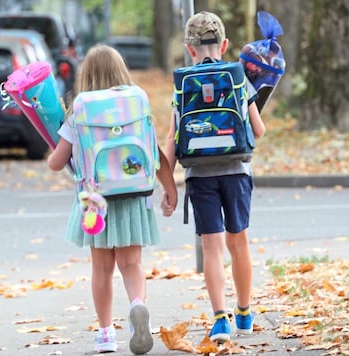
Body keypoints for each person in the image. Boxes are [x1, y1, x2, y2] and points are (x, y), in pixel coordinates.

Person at [47, 44, 178, 354]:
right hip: (134, 196)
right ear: (121, 71)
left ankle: (106, 334)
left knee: (102, 269)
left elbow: (56, 163)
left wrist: (55, 141)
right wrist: (169, 186)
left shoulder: (78, 110)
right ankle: (137, 307)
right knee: (132, 263)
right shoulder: (136, 103)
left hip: (96, 201)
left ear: (86, 76)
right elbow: (152, 150)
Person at [164, 11, 266, 344]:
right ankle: (245, 311)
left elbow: (172, 137)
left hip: (199, 176)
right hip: (236, 172)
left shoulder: (183, 84)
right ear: (223, 44)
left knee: (211, 247)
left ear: (189, 48)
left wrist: (167, 183)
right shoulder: (238, 77)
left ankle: (220, 318)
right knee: (239, 242)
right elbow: (259, 130)